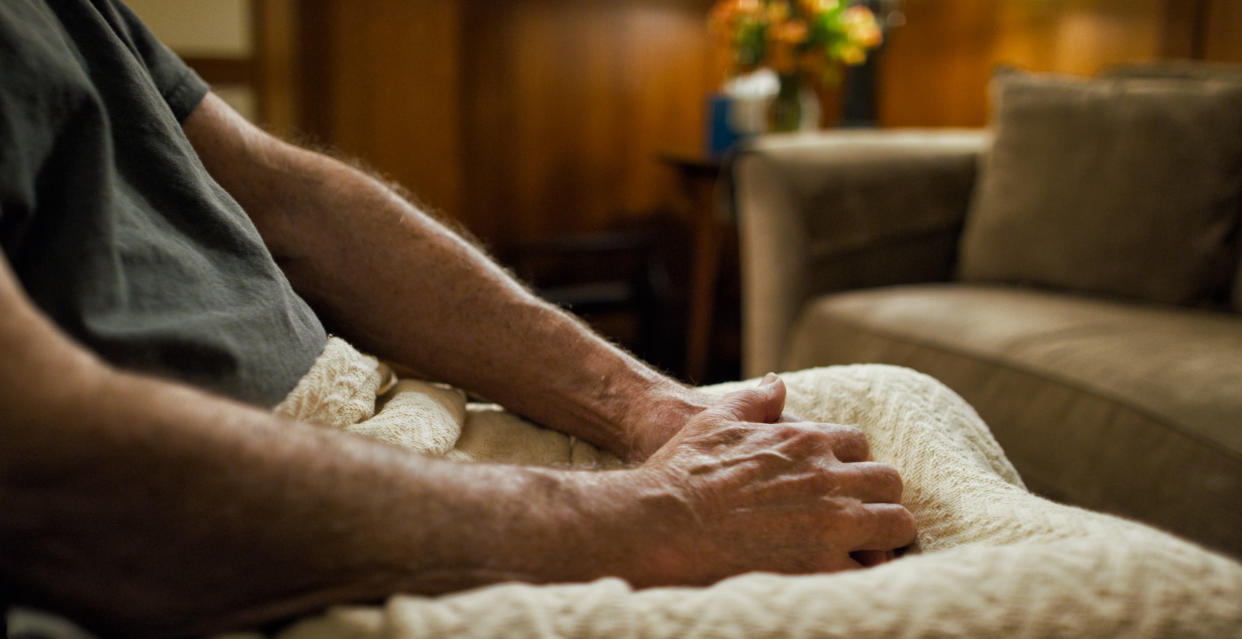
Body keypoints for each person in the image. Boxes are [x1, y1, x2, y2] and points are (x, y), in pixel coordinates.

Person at [0, 1, 915, 635]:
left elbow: (291, 198)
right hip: (258, 524)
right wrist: (664, 514)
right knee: (1058, 593)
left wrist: (650, 408)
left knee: (888, 403)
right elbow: (49, 461)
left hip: (396, 421)